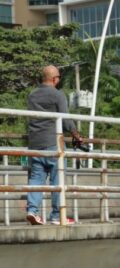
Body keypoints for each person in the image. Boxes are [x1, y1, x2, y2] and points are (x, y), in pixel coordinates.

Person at [26, 65, 83, 226]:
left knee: (36, 178)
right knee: (57, 180)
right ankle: (57, 215)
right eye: (58, 77)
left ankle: (32, 211)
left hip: (35, 144)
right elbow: (65, 119)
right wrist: (76, 134)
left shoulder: (32, 95)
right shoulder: (58, 95)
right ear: (54, 79)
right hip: (52, 143)